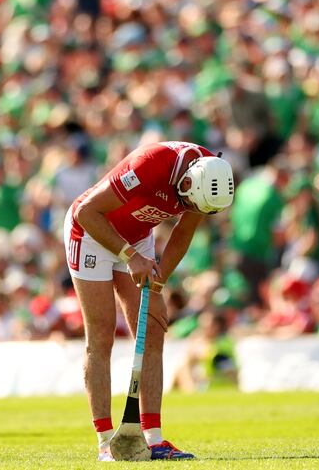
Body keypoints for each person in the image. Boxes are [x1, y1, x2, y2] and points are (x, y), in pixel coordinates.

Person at [63, 141, 234, 461]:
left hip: (138, 236)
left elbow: (182, 235)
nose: (185, 207)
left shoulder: (209, 183)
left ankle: (153, 439)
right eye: (186, 200)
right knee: (100, 336)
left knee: (154, 329)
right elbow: (87, 212)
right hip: (90, 234)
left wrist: (158, 285)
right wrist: (128, 257)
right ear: (185, 181)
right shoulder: (151, 164)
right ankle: (105, 443)